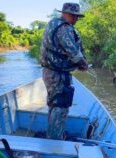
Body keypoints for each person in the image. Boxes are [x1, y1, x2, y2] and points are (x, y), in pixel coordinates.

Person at [40, 2, 88, 140]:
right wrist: (83, 65)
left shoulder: (52, 23)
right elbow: (73, 52)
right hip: (57, 74)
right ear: (66, 14)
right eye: (74, 16)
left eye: (77, 16)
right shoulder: (64, 28)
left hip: (49, 72)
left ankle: (53, 134)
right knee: (60, 106)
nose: (76, 19)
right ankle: (55, 139)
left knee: (54, 104)